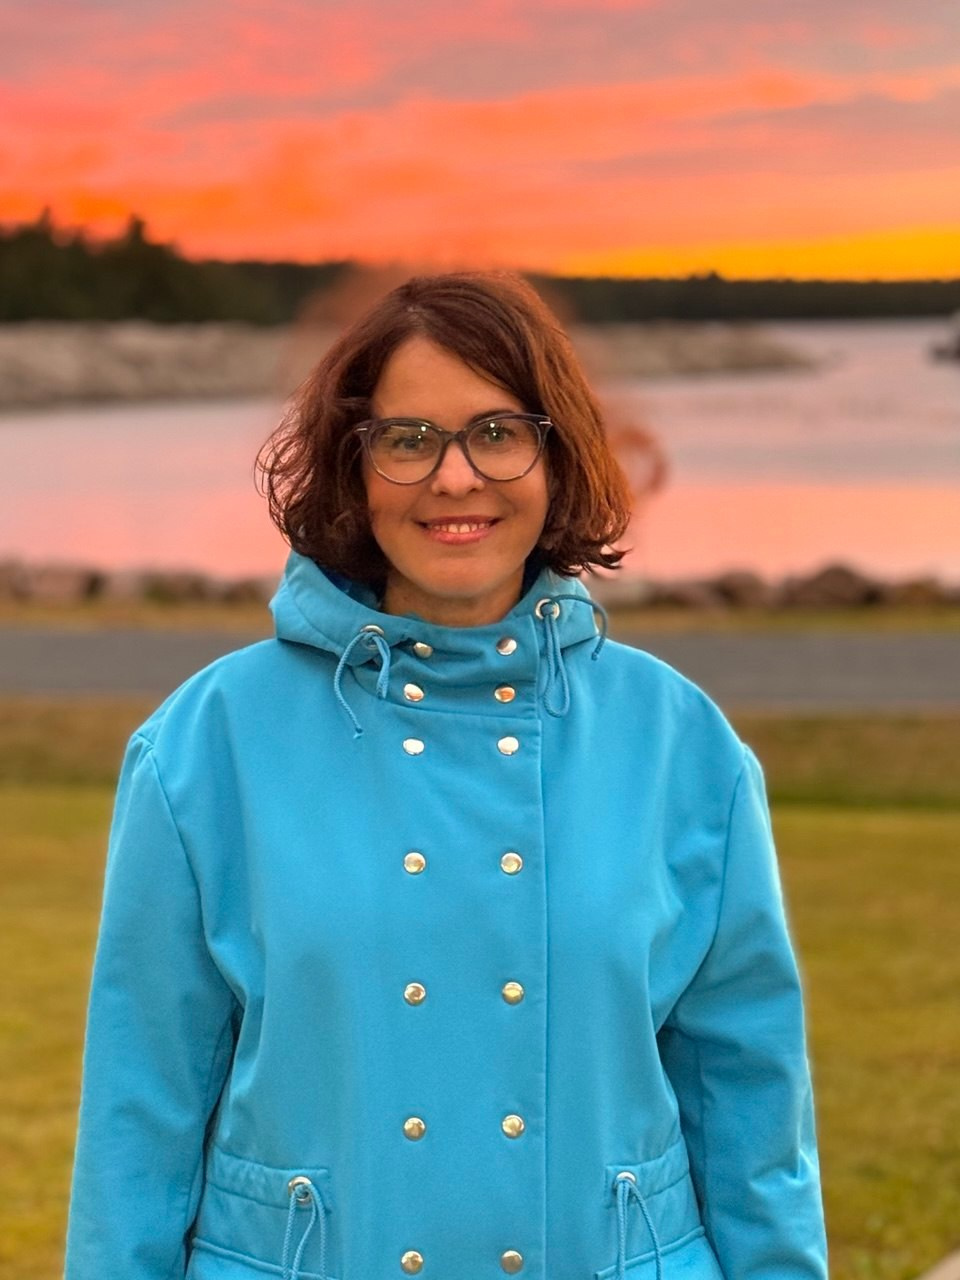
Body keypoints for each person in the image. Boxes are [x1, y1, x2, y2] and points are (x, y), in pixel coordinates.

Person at [66, 271, 828, 1280]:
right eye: (408, 438)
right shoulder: (206, 745)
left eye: (499, 433)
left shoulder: (682, 744)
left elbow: (752, 1109)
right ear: (354, 466)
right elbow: (140, 1114)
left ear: (558, 456)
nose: (456, 478)